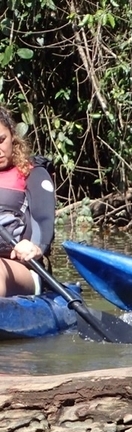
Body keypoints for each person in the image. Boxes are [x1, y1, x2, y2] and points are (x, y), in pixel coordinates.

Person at [0, 107, 56, 296]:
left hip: (23, 267)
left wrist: (36, 247)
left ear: (12, 137)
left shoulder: (32, 173)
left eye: (1, 140)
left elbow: (43, 219)